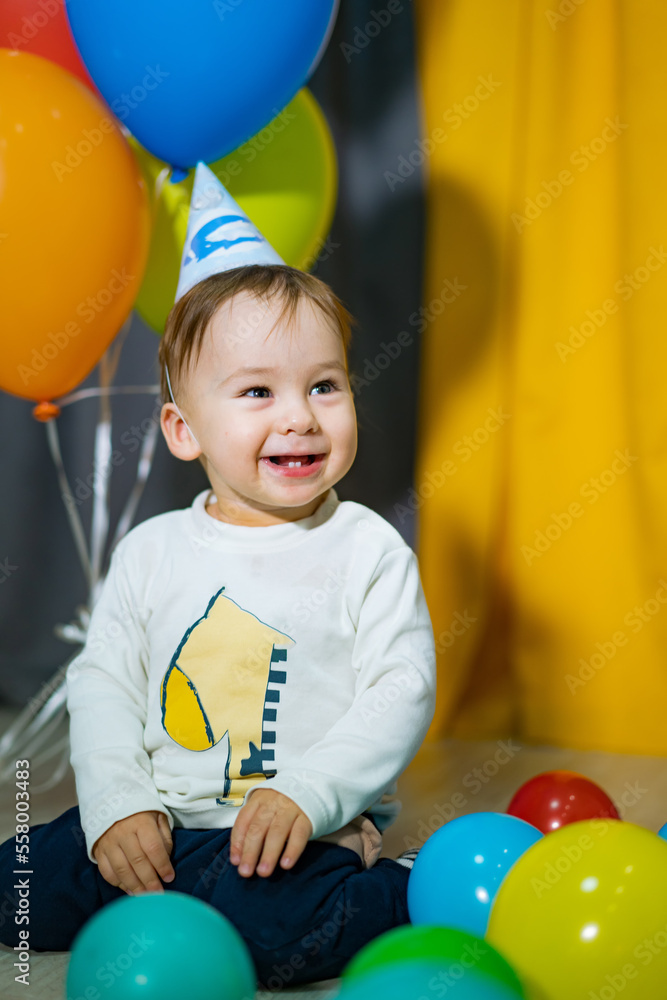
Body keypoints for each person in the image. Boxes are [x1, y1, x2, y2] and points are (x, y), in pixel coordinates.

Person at [0, 164, 436, 989]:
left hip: (292, 831)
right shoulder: (153, 551)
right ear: (182, 429)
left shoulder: (364, 548)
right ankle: (136, 879)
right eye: (257, 392)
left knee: (275, 932)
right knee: (19, 881)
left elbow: (400, 688)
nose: (299, 415)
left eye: (323, 385)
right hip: (158, 819)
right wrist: (118, 809)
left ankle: (395, 886)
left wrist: (310, 795)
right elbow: (104, 687)